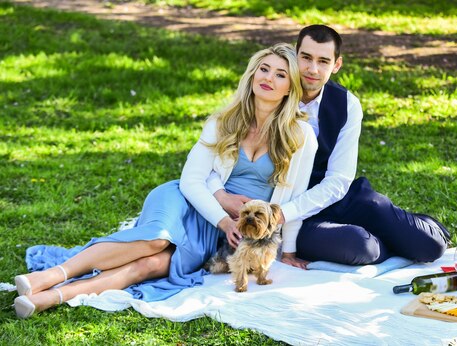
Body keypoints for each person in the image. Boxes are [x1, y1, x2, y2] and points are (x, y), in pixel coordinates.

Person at [13, 43, 318, 318]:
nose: (268, 78)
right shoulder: (223, 121)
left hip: (221, 232)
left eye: (280, 75)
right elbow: (191, 180)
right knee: (157, 239)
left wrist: (287, 250)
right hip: (188, 201)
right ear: (252, 75)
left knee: (153, 265)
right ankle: (49, 277)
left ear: (290, 87)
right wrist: (223, 214)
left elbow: (294, 198)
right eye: (263, 69)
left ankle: (52, 298)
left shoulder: (300, 135)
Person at [208, 25, 450, 267]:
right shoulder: (269, 94)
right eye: (306, 58)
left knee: (430, 247)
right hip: (293, 212)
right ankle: (386, 245)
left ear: (336, 65)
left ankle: (414, 230)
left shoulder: (347, 104)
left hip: (338, 197)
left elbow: (339, 180)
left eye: (323, 61)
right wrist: (279, 214)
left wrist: (281, 214)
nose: (313, 69)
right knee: (360, 246)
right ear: (295, 54)